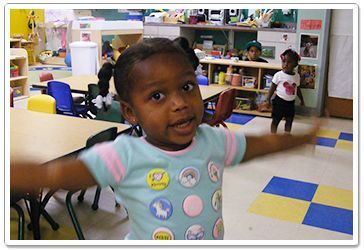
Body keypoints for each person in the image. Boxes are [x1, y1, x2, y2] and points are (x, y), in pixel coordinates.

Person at [11, 38, 318, 240]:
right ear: (130, 112)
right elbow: (58, 174)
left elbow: (257, 146)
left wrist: (298, 139)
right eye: (157, 95)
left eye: (186, 87)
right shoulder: (125, 154)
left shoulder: (212, 140)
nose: (179, 103)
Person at [266, 49, 305, 134]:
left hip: (290, 103)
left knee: (289, 120)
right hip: (279, 102)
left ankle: (286, 135)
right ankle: (273, 135)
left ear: (295, 64)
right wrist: (268, 99)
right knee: (276, 120)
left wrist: (302, 99)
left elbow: (297, 89)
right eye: (284, 62)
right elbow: (272, 88)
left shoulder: (297, 76)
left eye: (289, 62)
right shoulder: (278, 75)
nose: (285, 64)